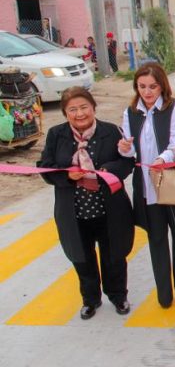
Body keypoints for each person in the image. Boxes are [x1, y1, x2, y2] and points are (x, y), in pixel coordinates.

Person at [37, 87, 135, 320]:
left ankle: (118, 295)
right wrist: (65, 176)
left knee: (114, 256)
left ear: (93, 108)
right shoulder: (56, 135)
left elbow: (127, 163)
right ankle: (90, 299)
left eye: (84, 107)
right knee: (82, 257)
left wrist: (107, 171)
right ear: (65, 112)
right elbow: (45, 166)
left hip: (109, 208)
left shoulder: (110, 132)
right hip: (74, 211)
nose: (79, 114)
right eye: (73, 109)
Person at [118, 63, 175, 309]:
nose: (147, 92)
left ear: (162, 86)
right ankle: (164, 295)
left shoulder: (173, 107)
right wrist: (124, 149)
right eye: (142, 86)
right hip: (147, 184)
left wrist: (163, 159)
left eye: (152, 86)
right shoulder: (130, 112)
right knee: (156, 238)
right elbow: (130, 147)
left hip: (172, 180)